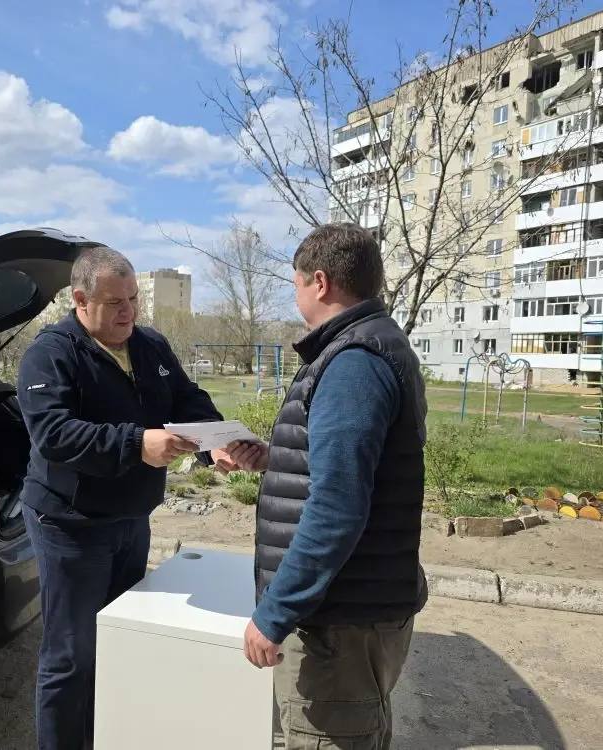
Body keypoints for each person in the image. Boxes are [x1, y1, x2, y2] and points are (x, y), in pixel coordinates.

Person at [16, 245, 230, 750]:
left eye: (133, 299)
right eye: (116, 303)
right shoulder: (50, 354)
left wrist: (214, 441)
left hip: (132, 520)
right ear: (80, 300)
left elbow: (186, 398)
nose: (128, 312)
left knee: (121, 640)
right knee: (71, 657)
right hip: (70, 526)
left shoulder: (150, 345)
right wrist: (138, 443)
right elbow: (55, 435)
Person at [226, 223, 428, 750]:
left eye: (293, 284)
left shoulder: (353, 363)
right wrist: (276, 459)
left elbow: (338, 505)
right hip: (351, 608)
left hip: (339, 621)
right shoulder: (363, 347)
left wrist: (275, 613)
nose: (294, 296)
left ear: (319, 282)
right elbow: (353, 468)